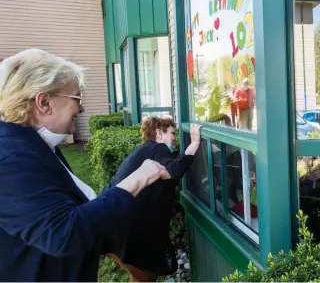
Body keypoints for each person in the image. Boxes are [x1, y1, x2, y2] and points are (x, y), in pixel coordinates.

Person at [0, 49, 171, 281]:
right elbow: (63, 233)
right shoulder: (10, 156)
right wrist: (136, 179)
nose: (80, 108)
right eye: (76, 98)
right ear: (44, 102)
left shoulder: (34, 144)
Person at [104, 117, 201, 282]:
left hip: (112, 226)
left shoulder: (146, 151)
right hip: (122, 230)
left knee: (145, 276)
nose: (175, 138)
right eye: (172, 133)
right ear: (159, 133)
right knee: (146, 277)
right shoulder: (158, 148)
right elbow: (172, 171)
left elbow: (174, 163)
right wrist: (194, 144)